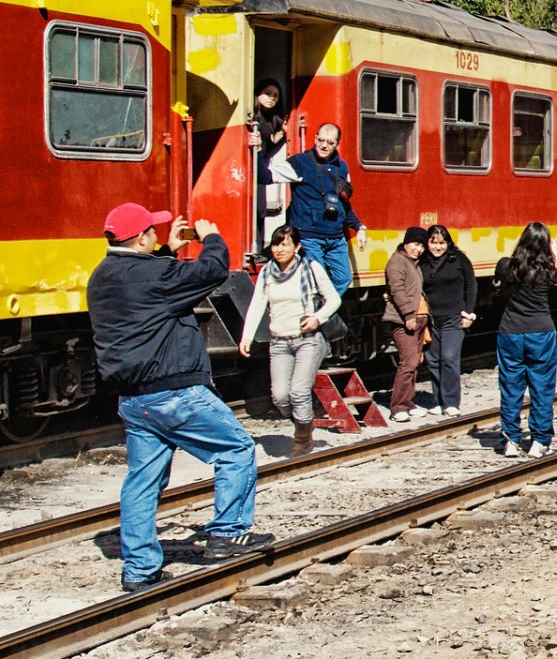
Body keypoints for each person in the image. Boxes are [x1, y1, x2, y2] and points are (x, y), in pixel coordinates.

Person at [89, 205, 270, 593]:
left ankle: (139, 569)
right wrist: (213, 237)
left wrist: (168, 252)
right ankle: (226, 533)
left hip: (134, 401)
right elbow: (211, 271)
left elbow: (148, 287)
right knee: (237, 449)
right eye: (153, 231)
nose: (157, 234)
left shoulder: (101, 277)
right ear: (140, 238)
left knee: (142, 481)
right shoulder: (155, 275)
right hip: (174, 392)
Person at [238, 224, 340, 457]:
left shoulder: (311, 269)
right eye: (276, 244)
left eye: (285, 244)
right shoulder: (266, 272)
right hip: (279, 342)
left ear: (297, 247)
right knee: (281, 396)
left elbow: (333, 299)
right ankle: (304, 423)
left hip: (307, 340)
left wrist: (317, 317)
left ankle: (302, 441)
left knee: (299, 391)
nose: (279, 249)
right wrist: (247, 336)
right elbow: (257, 305)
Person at [270, 122, 369, 297]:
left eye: (330, 142)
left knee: (343, 279)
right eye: (321, 140)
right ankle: (313, 314)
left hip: (336, 238)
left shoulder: (342, 167)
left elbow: (343, 204)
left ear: (337, 143)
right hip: (309, 236)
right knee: (317, 280)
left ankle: (320, 312)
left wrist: (359, 227)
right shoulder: (300, 162)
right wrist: (261, 146)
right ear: (315, 138)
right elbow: (267, 175)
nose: (324, 145)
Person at [496, 223, 557, 457]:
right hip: (540, 333)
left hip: (510, 333)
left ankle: (511, 440)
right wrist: (555, 254)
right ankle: (539, 441)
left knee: (511, 387)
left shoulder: (506, 266)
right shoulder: (548, 271)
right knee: (541, 388)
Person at [419, 224, 477, 417]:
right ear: (427, 243)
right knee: (433, 360)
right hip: (431, 319)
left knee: (449, 358)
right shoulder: (422, 262)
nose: (438, 247)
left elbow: (472, 285)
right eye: (433, 242)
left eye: (442, 243)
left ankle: (451, 402)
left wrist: (468, 312)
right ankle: (438, 401)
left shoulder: (459, 260)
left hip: (454, 317)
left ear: (448, 243)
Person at [382, 227, 430, 422]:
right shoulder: (397, 262)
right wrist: (409, 315)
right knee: (408, 362)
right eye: (415, 244)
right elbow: (397, 290)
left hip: (419, 318)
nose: (418, 249)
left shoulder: (413, 263)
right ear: (406, 243)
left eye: (421, 246)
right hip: (405, 319)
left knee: (414, 363)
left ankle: (408, 403)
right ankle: (398, 407)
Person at [246, 78, 287, 253]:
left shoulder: (271, 118)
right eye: (268, 93)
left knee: (260, 207)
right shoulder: (252, 116)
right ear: (257, 93)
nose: (272, 98)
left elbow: (269, 142)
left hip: (260, 161)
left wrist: (283, 132)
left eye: (276, 96)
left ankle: (259, 246)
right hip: (249, 162)